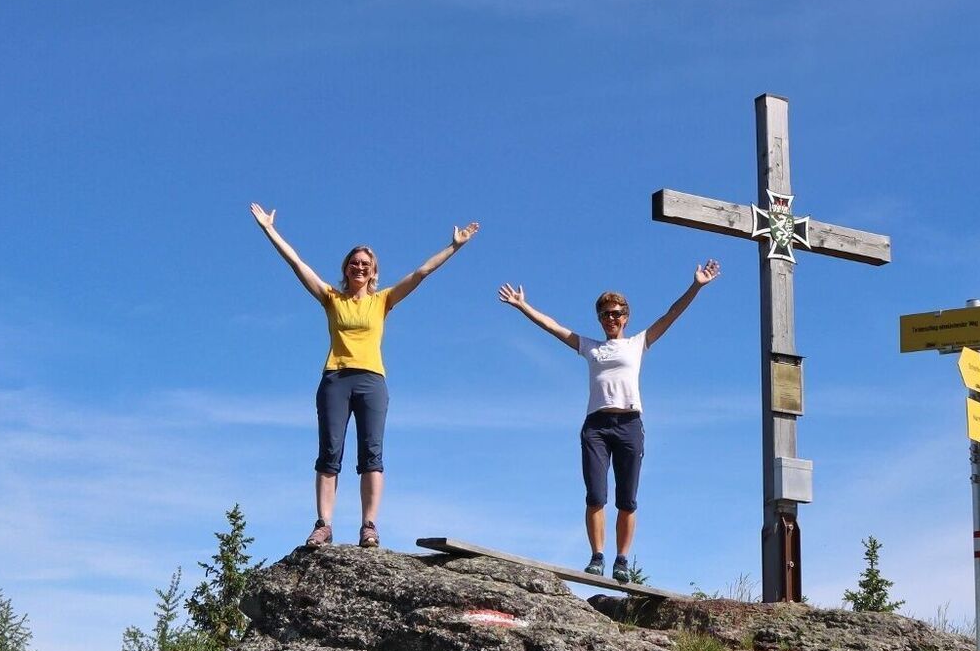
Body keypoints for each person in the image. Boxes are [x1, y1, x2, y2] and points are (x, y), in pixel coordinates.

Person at [251, 203, 478, 548]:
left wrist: (454, 246)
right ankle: (324, 525)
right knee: (329, 453)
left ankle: (369, 526)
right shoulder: (332, 298)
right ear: (346, 268)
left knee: (372, 455)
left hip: (372, 380)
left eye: (365, 264)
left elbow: (421, 273)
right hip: (335, 379)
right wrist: (270, 230)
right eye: (354, 262)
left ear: (373, 272)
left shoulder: (383, 300)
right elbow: (297, 263)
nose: (359, 267)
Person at [497, 259, 721, 583]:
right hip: (597, 427)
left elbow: (670, 315)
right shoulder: (591, 347)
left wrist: (696, 286)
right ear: (600, 320)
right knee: (595, 495)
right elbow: (553, 327)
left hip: (629, 424)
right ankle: (597, 556)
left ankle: (622, 559)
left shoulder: (637, 343)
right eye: (605, 315)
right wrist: (522, 306)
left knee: (627, 500)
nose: (611, 319)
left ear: (625, 317)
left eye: (616, 313)